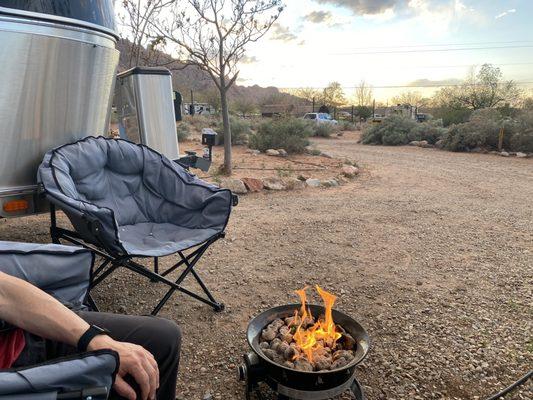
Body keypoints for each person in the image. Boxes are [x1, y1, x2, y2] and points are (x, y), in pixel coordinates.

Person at [0, 271, 181, 400]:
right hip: (15, 380)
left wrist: (94, 339)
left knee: (161, 338)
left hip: (23, 333)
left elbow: (4, 290)